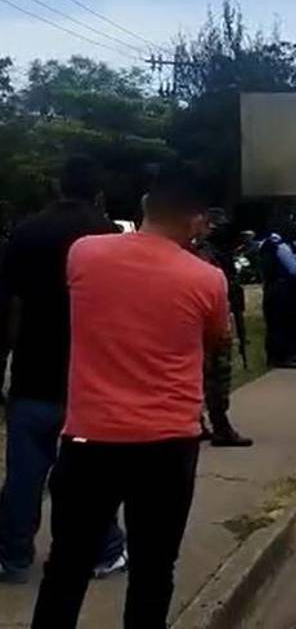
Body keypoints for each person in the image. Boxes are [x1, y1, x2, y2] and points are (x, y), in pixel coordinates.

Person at [31, 171, 229, 628]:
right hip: (167, 443)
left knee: (67, 564)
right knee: (154, 568)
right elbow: (215, 337)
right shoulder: (207, 279)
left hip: (89, 438)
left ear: (144, 205)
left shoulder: (84, 253)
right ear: (196, 221)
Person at [0, 157, 127, 584]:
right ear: (99, 194)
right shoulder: (108, 237)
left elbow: (9, 307)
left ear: (57, 186)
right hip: (91, 378)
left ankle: (13, 556)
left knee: (24, 473)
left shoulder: (26, 232)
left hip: (33, 373)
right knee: (91, 475)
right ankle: (103, 549)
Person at [194, 209, 253, 447]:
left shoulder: (217, 252)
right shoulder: (203, 252)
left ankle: (205, 422)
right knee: (216, 374)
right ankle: (219, 425)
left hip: (219, 314)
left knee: (209, 374)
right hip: (211, 320)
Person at [259, 227, 296, 369]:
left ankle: (272, 356)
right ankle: (283, 356)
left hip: (269, 287)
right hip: (283, 288)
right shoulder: (282, 247)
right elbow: (294, 269)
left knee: (273, 323)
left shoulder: (264, 246)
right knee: (284, 322)